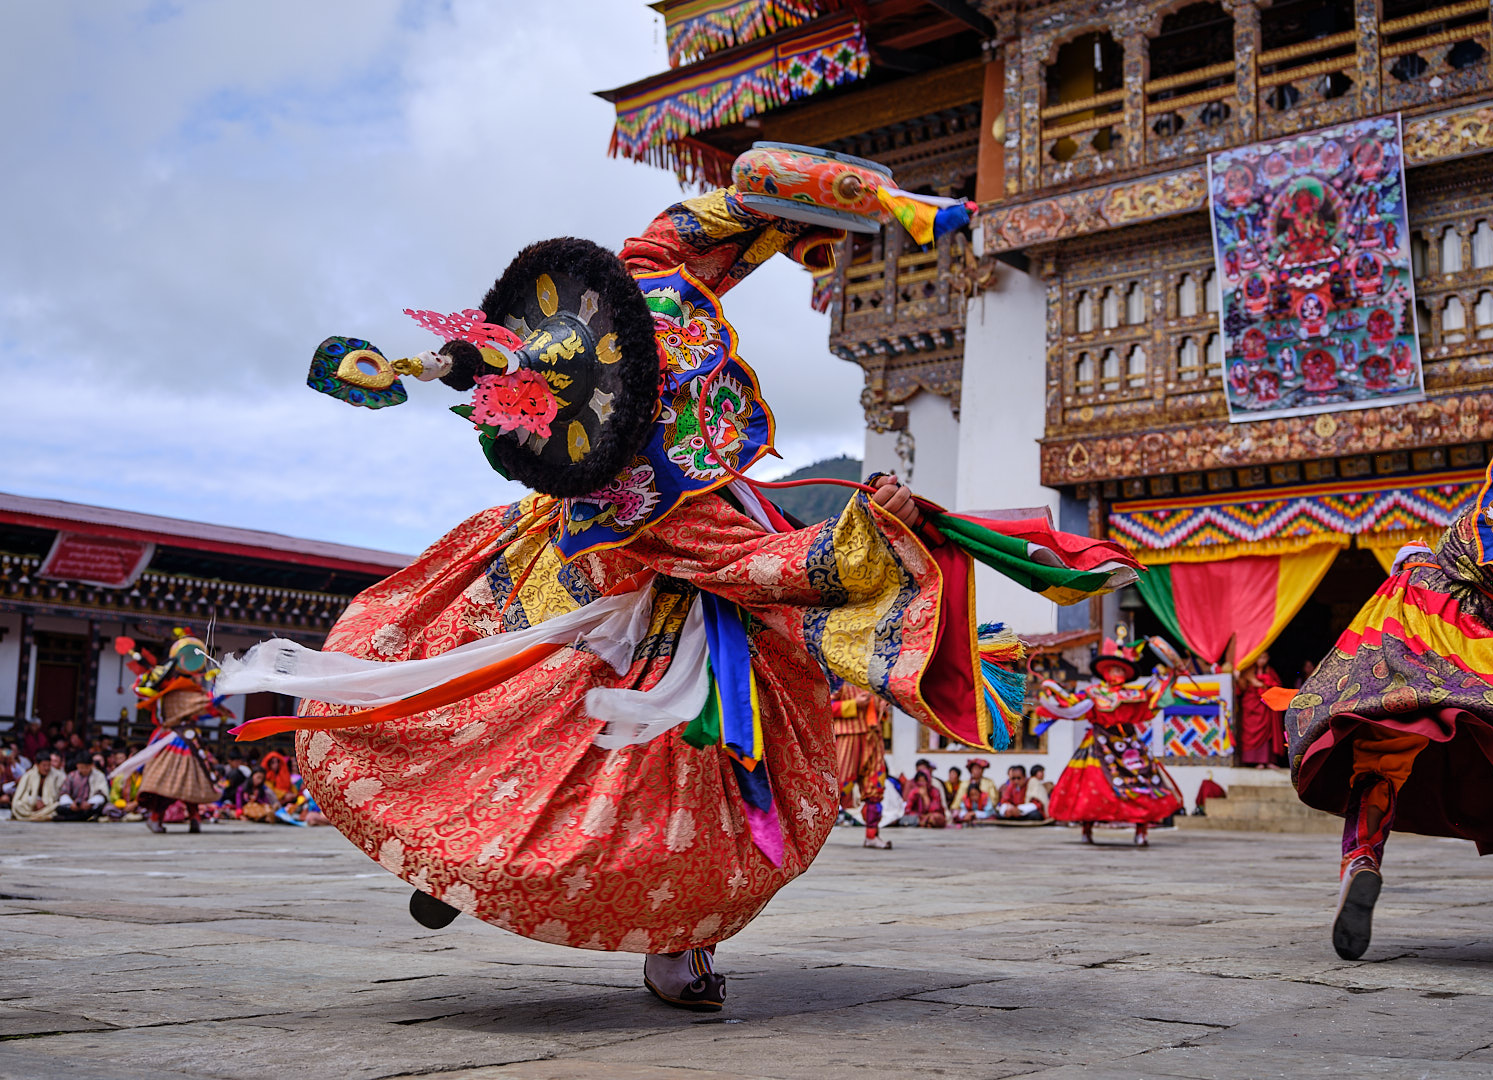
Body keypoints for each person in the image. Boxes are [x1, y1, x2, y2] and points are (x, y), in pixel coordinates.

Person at [216, 178, 1136, 1013]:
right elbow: (767, 569)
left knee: (589, 768)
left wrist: (842, 205)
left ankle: (590, 910)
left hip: (607, 604)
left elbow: (720, 212)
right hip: (639, 638)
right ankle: (527, 885)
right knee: (673, 793)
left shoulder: (640, 291)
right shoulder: (648, 495)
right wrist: (874, 531)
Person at [1277, 418, 1493, 961]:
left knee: (1384, 746)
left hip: (1419, 640)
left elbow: (1445, 557)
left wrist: (1413, 562)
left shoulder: (1480, 520)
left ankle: (1360, 859)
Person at [1039, 636, 1184, 847]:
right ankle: (1087, 828)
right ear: (1105, 671)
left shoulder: (1136, 694)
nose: (1116, 673)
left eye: (1120, 669)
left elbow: (1154, 704)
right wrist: (1055, 690)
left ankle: (1141, 830)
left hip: (1128, 746)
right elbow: (1072, 705)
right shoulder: (1093, 693)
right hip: (1098, 744)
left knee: (1142, 784)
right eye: (1113, 669)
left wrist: (1170, 678)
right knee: (1092, 787)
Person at [110, 630, 231, 835]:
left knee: (185, 784)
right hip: (178, 742)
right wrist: (228, 687)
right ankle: (166, 817)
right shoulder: (179, 694)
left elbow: (203, 708)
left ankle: (191, 818)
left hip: (180, 741)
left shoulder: (175, 694)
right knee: (174, 784)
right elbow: (209, 701)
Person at [833, 682, 893, 849]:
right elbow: (823, 705)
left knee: (875, 786)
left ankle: (872, 835)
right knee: (836, 786)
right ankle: (810, 832)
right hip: (848, 736)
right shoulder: (838, 677)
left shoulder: (874, 678)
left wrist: (882, 705)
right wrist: (853, 704)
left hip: (873, 735)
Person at [1237, 652, 1286, 767]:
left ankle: (1269, 761)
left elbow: (1277, 687)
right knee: (1252, 732)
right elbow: (1242, 687)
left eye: (1264, 657)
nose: (1262, 660)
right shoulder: (1248, 671)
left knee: (1268, 733)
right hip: (1252, 705)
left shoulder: (1270, 671)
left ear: (1268, 658)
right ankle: (1257, 761)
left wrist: (1262, 685)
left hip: (1265, 707)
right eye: (1259, 657)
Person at [54, 754, 110, 821]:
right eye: (81, 767)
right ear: (77, 766)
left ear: (91, 765)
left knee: (100, 808)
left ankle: (68, 818)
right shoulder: (71, 776)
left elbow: (102, 794)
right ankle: (82, 818)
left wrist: (89, 803)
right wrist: (71, 804)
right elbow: (64, 793)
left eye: (86, 767)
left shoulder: (99, 775)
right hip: (74, 805)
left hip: (89, 805)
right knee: (59, 808)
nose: (84, 770)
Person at [11, 755, 63, 822]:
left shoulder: (57, 775)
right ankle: (38, 816)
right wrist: (34, 802)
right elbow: (22, 795)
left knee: (57, 807)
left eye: (48, 765)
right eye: (44, 765)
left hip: (48, 806)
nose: (46, 768)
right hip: (30, 805)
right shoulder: (28, 775)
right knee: (18, 805)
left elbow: (58, 796)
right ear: (37, 765)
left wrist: (45, 802)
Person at [951, 758, 998, 823]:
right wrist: (956, 809)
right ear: (971, 770)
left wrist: (984, 807)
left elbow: (994, 800)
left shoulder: (989, 782)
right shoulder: (964, 784)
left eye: (979, 769)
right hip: (967, 809)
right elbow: (959, 799)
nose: (977, 771)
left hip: (985, 809)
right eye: (975, 769)